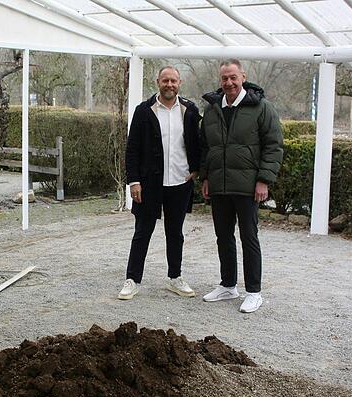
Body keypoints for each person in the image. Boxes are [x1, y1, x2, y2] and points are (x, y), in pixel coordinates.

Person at [199, 59, 284, 313]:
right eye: (224, 78)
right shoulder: (212, 110)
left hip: (248, 186)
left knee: (249, 237)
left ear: (243, 77)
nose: (229, 83)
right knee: (223, 237)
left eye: (233, 77)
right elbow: (205, 147)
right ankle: (228, 285)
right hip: (219, 185)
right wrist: (206, 177)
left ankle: (254, 292)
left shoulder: (261, 107)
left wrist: (264, 180)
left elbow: (273, 145)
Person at [118, 65, 201, 300]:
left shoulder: (189, 110)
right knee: (142, 232)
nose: (169, 85)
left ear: (180, 83)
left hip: (180, 182)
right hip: (148, 184)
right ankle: (132, 280)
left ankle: (175, 277)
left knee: (175, 233)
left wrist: (196, 168)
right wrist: (133, 181)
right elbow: (132, 148)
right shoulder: (144, 111)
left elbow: (197, 142)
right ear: (158, 82)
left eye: (173, 81)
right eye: (165, 81)